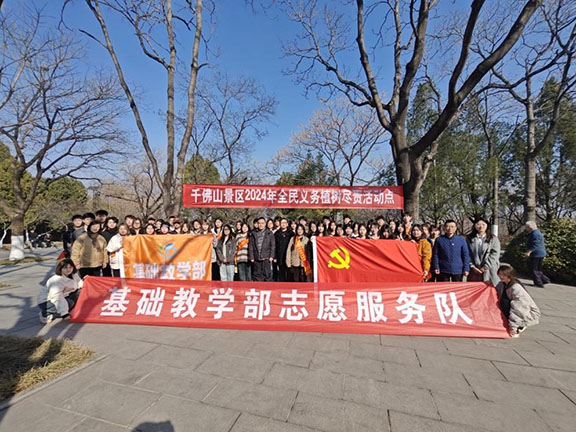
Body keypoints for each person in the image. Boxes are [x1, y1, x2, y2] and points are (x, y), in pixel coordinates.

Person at [496, 264, 541, 338]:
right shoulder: (502, 284)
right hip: (515, 310)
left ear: (509, 276)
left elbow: (519, 308)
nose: (500, 276)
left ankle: (520, 326)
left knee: (507, 303)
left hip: (527, 313)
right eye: (499, 274)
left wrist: (513, 327)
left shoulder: (516, 288)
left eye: (503, 275)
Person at [38, 259, 82, 323]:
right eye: (65, 267)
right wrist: (64, 313)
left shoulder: (74, 275)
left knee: (80, 292)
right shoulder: (56, 280)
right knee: (70, 303)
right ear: (60, 268)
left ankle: (69, 309)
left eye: (70, 267)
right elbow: (57, 296)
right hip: (46, 301)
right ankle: (45, 313)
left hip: (64, 296)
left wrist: (87, 280)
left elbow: (80, 283)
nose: (68, 269)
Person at [467, 218, 501, 286]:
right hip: (474, 269)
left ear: (487, 226)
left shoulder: (493, 238)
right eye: (478, 224)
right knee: (475, 288)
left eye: (483, 224)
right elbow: (467, 253)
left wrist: (486, 266)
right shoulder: (469, 238)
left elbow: (495, 253)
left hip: (490, 268)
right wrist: (472, 266)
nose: (481, 226)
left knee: (491, 287)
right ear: (474, 225)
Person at [249, 217, 275, 281]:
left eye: (262, 223)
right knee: (257, 276)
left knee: (267, 275)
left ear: (265, 224)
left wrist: (271, 256)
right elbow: (251, 246)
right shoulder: (253, 233)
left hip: (266, 258)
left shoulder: (269, 233)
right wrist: (251, 257)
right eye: (259, 223)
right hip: (256, 258)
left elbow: (272, 246)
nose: (260, 225)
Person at [525, 221, 551, 287]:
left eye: (526, 227)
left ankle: (538, 283)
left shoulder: (535, 234)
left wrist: (529, 252)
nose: (526, 228)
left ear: (529, 227)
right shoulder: (537, 232)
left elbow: (535, 244)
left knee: (535, 269)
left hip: (536, 253)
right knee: (538, 269)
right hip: (540, 253)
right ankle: (545, 280)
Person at [274, 218, 294, 282]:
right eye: (282, 223)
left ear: (287, 224)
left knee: (289, 273)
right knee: (281, 273)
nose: (283, 224)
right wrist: (275, 256)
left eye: (285, 223)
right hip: (280, 256)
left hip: (289, 256)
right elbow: (274, 246)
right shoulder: (276, 234)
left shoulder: (291, 233)